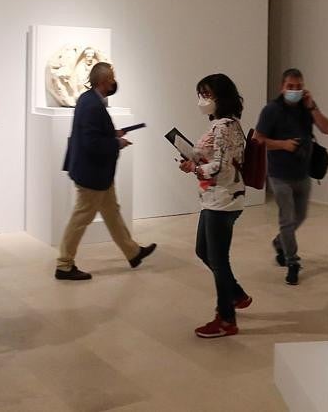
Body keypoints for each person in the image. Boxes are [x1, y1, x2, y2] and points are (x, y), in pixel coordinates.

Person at [55, 62, 155, 280]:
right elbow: (92, 143)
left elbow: (93, 133)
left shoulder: (87, 98)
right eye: (111, 78)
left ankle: (133, 252)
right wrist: (116, 143)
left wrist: (112, 133)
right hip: (92, 173)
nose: (114, 81)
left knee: (112, 211)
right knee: (81, 217)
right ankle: (63, 265)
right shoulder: (93, 105)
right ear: (103, 82)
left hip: (97, 172)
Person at [178, 73, 251, 338]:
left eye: (207, 94)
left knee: (218, 260)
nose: (202, 100)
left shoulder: (223, 127)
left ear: (221, 96)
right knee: (203, 251)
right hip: (217, 198)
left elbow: (218, 167)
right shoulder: (225, 124)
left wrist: (195, 168)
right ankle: (236, 294)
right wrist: (194, 160)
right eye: (201, 94)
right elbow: (217, 158)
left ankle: (226, 319)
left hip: (223, 199)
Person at [255, 68, 328, 285]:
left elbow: (327, 129)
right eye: (290, 86)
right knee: (287, 220)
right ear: (282, 87)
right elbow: (258, 138)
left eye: (298, 87)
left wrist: (313, 107)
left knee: (300, 216)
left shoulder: (306, 108)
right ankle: (292, 262)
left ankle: (280, 242)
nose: (294, 91)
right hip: (279, 174)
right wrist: (282, 145)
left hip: (302, 173)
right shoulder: (271, 110)